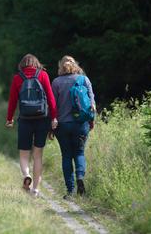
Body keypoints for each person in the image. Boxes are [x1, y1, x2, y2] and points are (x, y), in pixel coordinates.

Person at [5, 54, 58, 196]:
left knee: (24, 154)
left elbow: (12, 101)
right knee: (38, 155)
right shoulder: (43, 75)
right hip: (42, 119)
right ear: (36, 64)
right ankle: (35, 189)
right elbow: (51, 98)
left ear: (22, 65)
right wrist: (54, 117)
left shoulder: (18, 78)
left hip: (25, 120)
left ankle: (26, 175)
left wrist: (9, 119)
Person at [52, 55, 96, 198]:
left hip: (62, 125)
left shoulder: (56, 82)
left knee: (66, 156)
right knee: (79, 153)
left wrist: (50, 126)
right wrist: (92, 120)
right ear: (75, 65)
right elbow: (92, 102)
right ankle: (80, 178)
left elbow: (53, 106)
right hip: (81, 124)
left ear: (61, 66)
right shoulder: (84, 79)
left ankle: (70, 191)